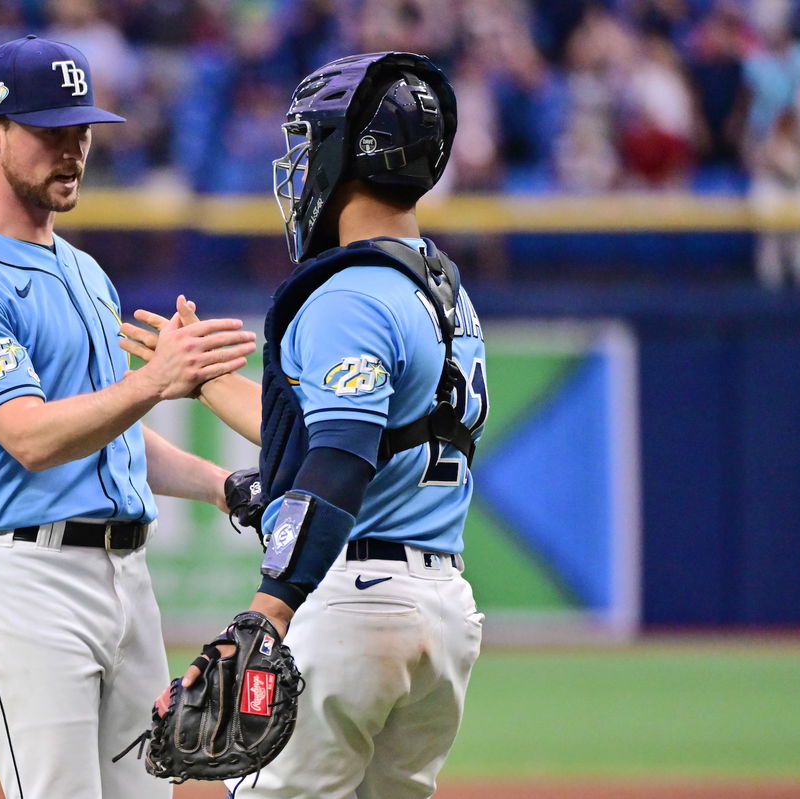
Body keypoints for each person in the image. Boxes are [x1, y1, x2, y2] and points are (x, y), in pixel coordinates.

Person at [122, 52, 488, 798]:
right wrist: (204, 382)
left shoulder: (348, 293)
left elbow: (343, 457)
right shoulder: (439, 287)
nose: (297, 162)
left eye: (309, 140)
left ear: (348, 154)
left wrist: (267, 610)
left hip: (352, 598)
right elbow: (351, 436)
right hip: (442, 610)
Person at [0, 36, 256, 799]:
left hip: (126, 577)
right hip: (27, 577)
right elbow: (30, 437)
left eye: (82, 131)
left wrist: (227, 487)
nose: (72, 151)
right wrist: (157, 379)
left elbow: (110, 434)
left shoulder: (82, 270)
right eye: (49, 132)